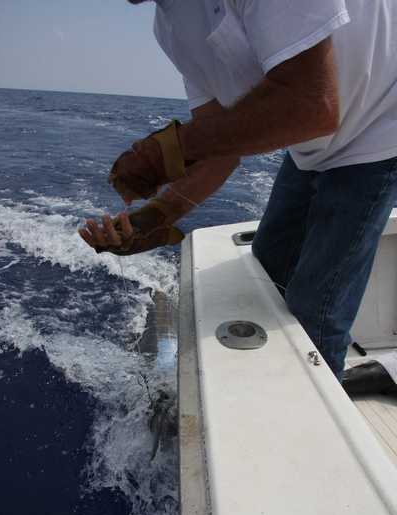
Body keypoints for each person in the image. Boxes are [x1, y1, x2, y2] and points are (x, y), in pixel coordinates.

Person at [79, 0, 397, 380]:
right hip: (312, 145)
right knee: (267, 266)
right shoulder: (170, 26)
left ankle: (313, 404)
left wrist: (170, 149)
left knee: (314, 310)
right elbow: (221, 150)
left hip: (379, 124)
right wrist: (157, 217)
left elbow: (313, 105)